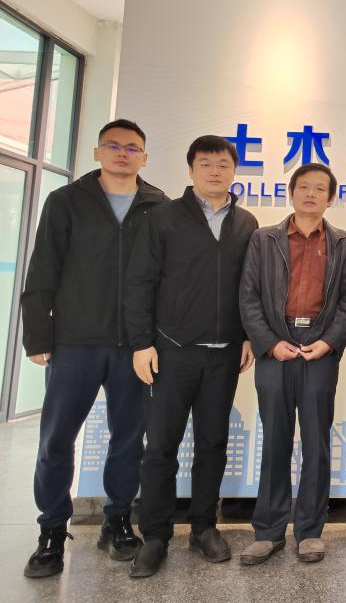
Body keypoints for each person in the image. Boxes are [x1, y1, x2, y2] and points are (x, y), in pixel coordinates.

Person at [20, 120, 167, 578]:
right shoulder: (66, 200)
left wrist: (156, 340)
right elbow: (43, 267)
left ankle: (117, 521)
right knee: (56, 439)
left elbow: (166, 279)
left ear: (144, 157)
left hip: (135, 346)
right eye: (114, 145)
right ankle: (51, 530)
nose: (123, 153)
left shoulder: (158, 206)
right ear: (97, 151)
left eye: (132, 148)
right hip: (75, 341)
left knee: (129, 440)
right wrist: (38, 336)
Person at [124, 135, 257, 578]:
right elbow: (140, 282)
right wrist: (142, 343)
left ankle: (203, 527)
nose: (215, 171)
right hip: (170, 352)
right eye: (205, 163)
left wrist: (246, 336)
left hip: (224, 355)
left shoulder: (246, 223)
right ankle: (155, 535)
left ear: (234, 171)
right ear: (191, 170)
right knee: (161, 447)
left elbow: (249, 287)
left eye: (223, 164)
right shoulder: (163, 218)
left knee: (213, 444)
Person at [238, 163, 346, 565]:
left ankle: (310, 531)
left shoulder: (344, 242)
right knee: (275, 439)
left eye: (319, 189)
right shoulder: (264, 239)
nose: (310, 194)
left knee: (316, 441)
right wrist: (270, 344)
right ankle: (268, 531)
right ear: (291, 192)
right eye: (303, 187)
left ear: (330, 197)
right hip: (276, 346)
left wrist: (328, 342)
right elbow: (249, 296)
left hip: (319, 348)